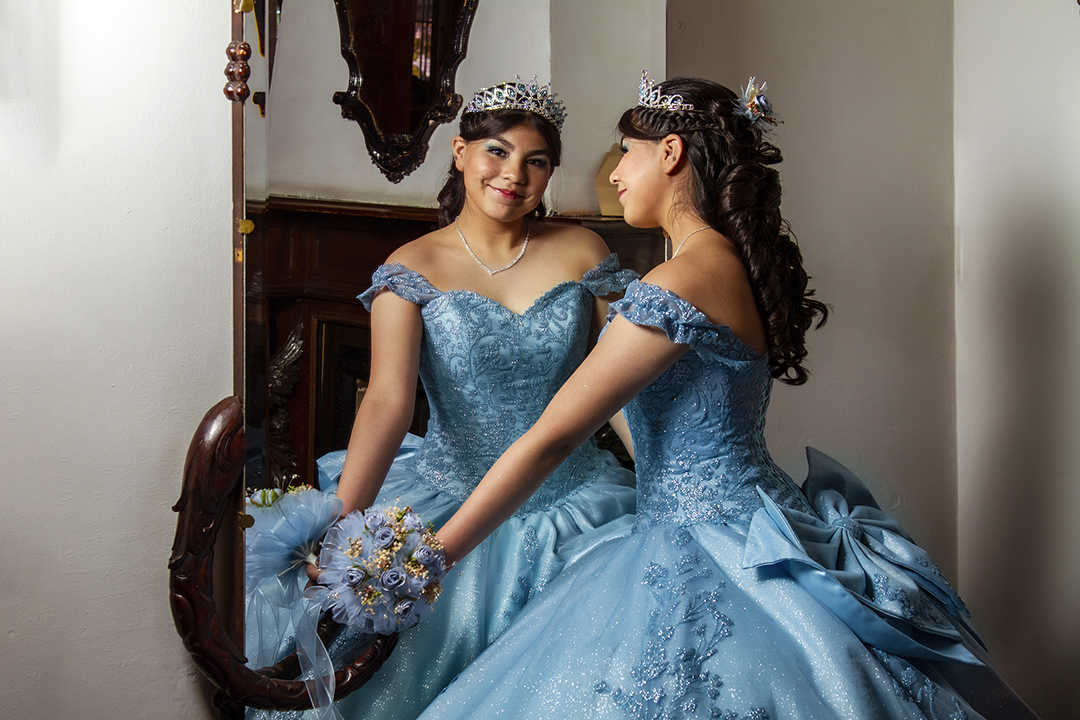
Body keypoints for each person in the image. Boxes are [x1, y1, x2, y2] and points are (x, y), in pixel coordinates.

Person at [416, 74, 1038, 719]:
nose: (615, 173)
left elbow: (553, 438)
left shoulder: (679, 280)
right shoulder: (724, 263)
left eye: (626, 152)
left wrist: (431, 560)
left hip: (709, 542)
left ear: (671, 153)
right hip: (757, 518)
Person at [246, 77, 638, 720]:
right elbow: (387, 402)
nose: (514, 174)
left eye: (536, 161)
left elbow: (622, 385)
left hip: (576, 501)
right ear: (460, 152)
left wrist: (661, 469)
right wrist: (343, 523)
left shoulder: (582, 250)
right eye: (497, 152)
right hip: (451, 494)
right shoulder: (411, 267)